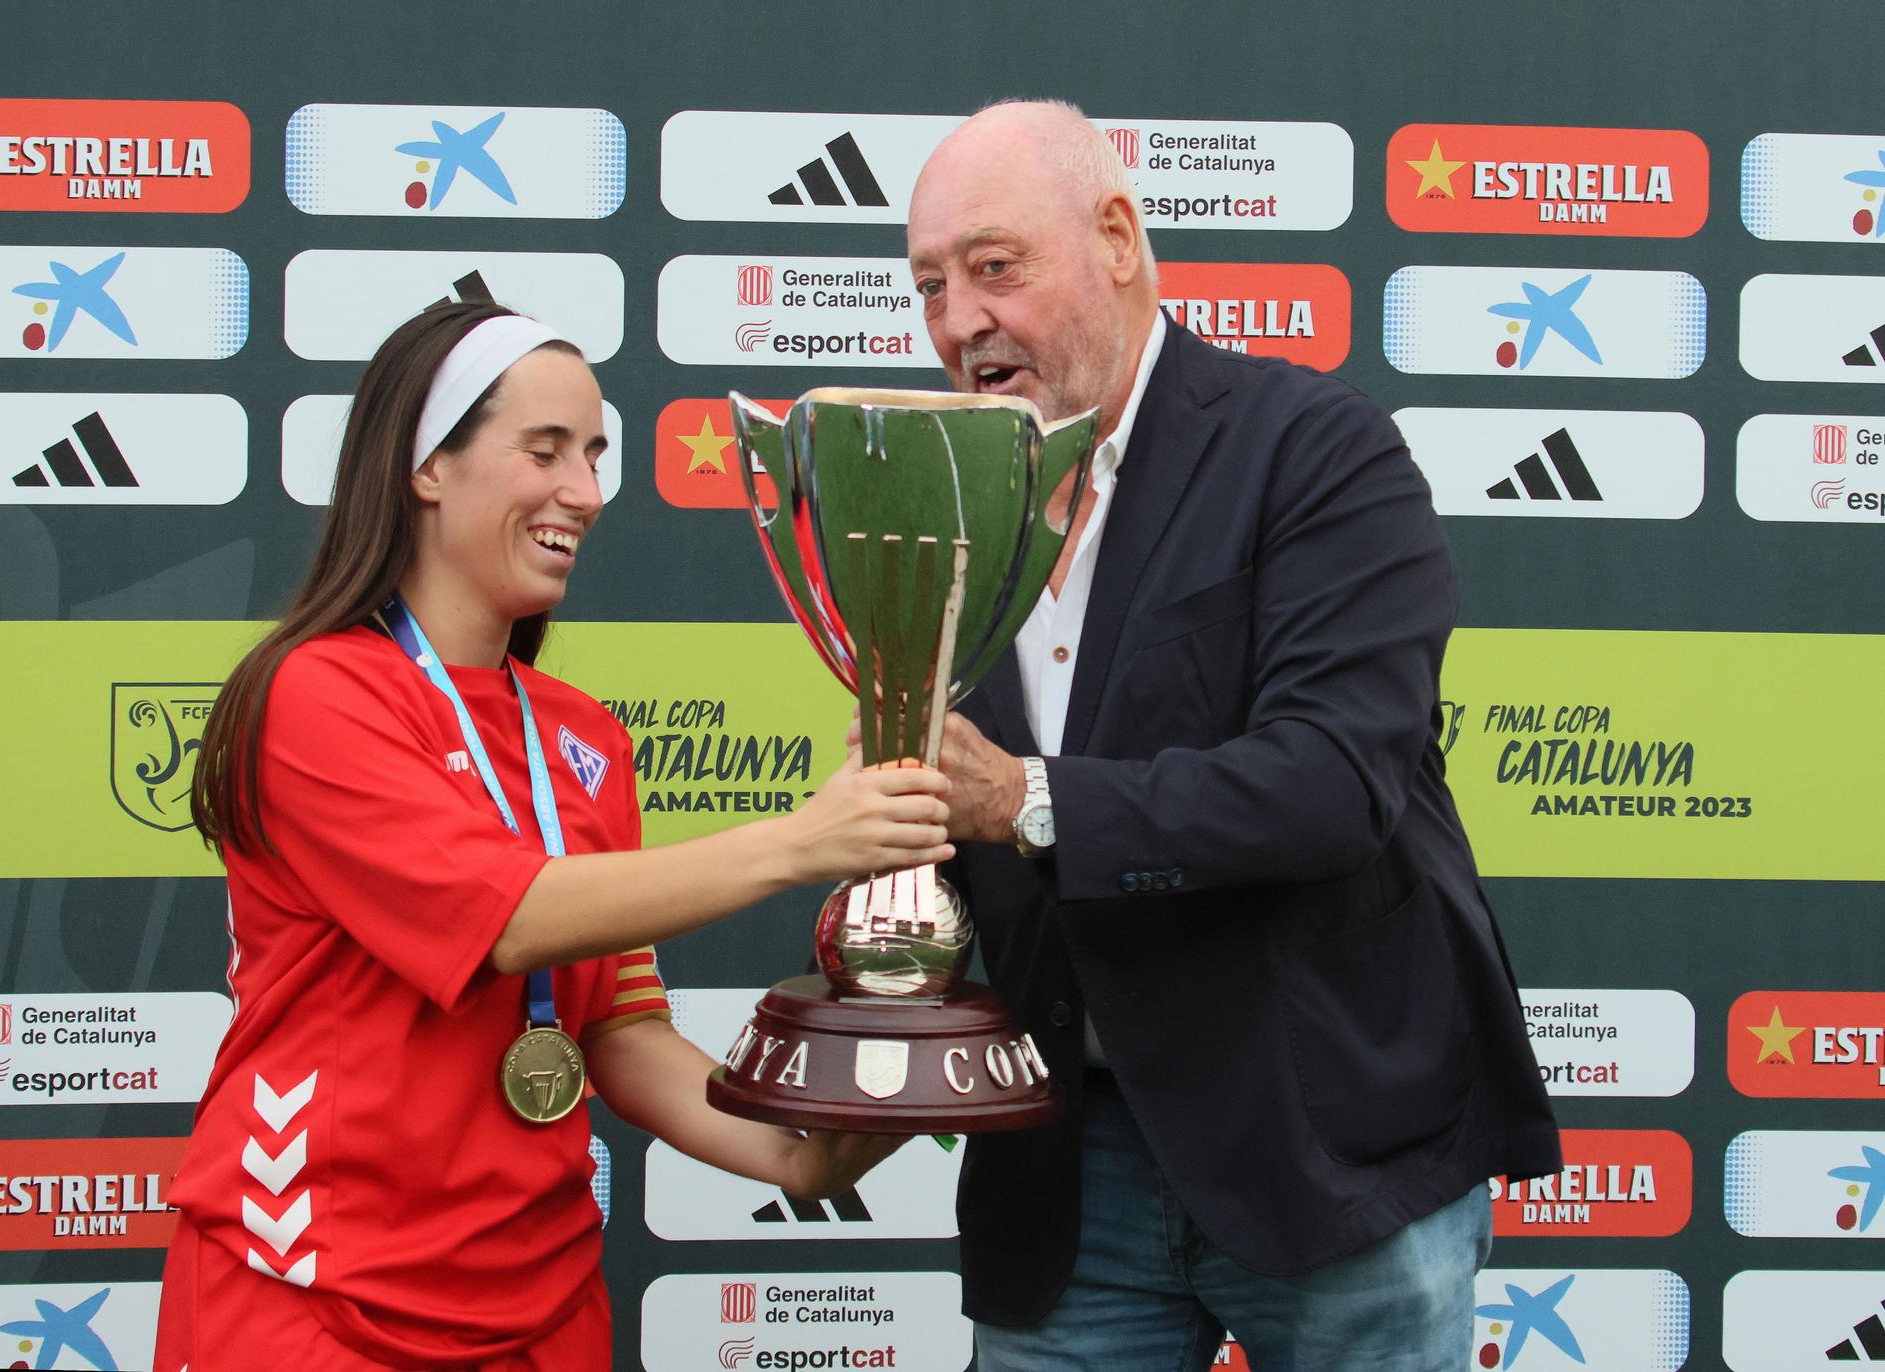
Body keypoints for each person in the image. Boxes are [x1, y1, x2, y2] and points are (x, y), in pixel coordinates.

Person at [155, 301, 951, 1371]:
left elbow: (617, 1033)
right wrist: (805, 840)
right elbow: (509, 919)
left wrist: (788, 1158)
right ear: (427, 466)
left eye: (594, 455)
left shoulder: (580, 739)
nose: (584, 491)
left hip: (541, 1300)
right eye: (545, 451)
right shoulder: (315, 695)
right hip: (316, 1294)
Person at [906, 101, 1561, 1371]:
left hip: (1322, 1148)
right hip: (1063, 1165)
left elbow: (1327, 783)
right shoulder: (937, 504)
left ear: (1114, 238)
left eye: (993, 268)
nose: (957, 322)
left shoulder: (1315, 450)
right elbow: (950, 822)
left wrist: (1025, 800)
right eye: (930, 284)